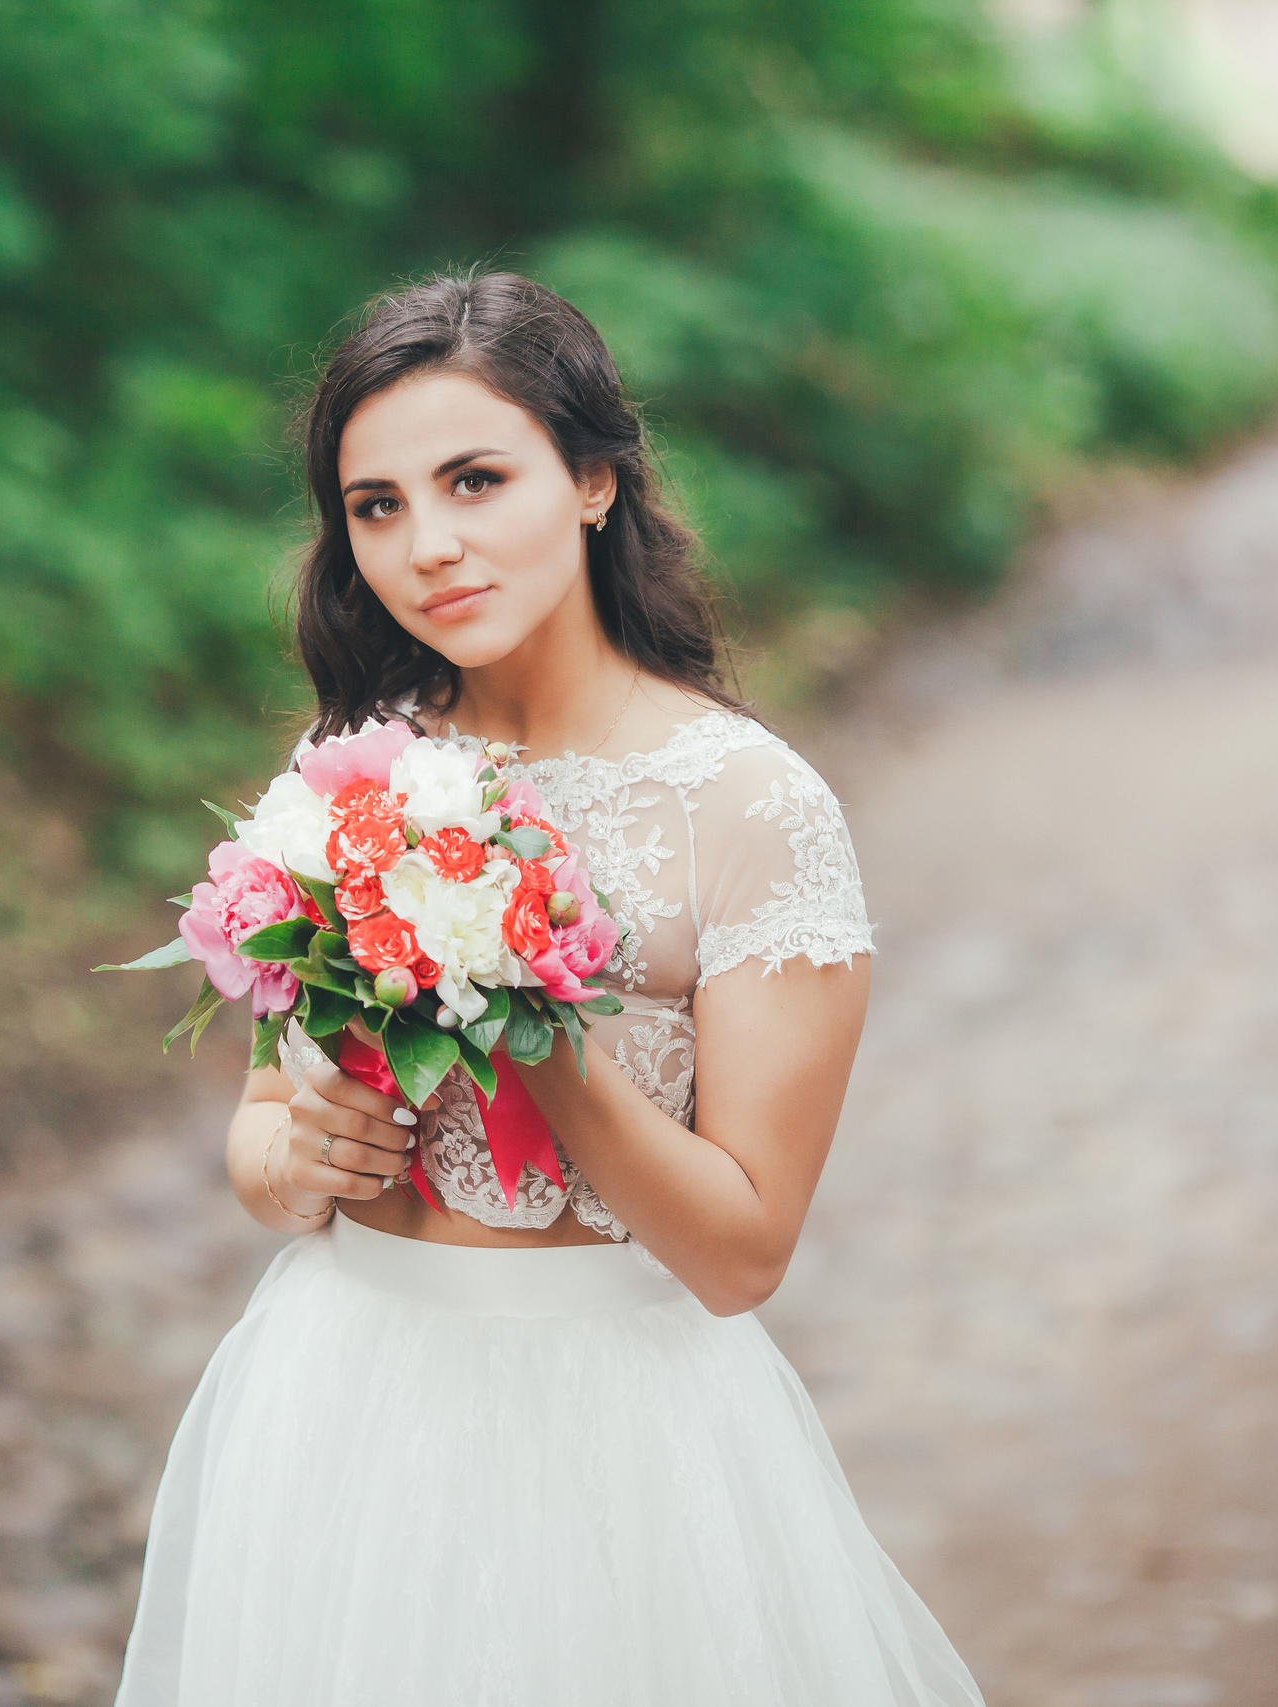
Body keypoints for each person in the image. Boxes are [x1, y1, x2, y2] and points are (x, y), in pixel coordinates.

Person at [113, 269, 985, 1705]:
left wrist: (529, 1013)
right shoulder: (356, 772)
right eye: (376, 505)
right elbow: (266, 1143)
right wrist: (295, 1153)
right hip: (339, 1409)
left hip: (610, 1445)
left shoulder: (751, 808)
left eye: (473, 480)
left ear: (591, 482)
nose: (428, 545)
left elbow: (742, 1254)